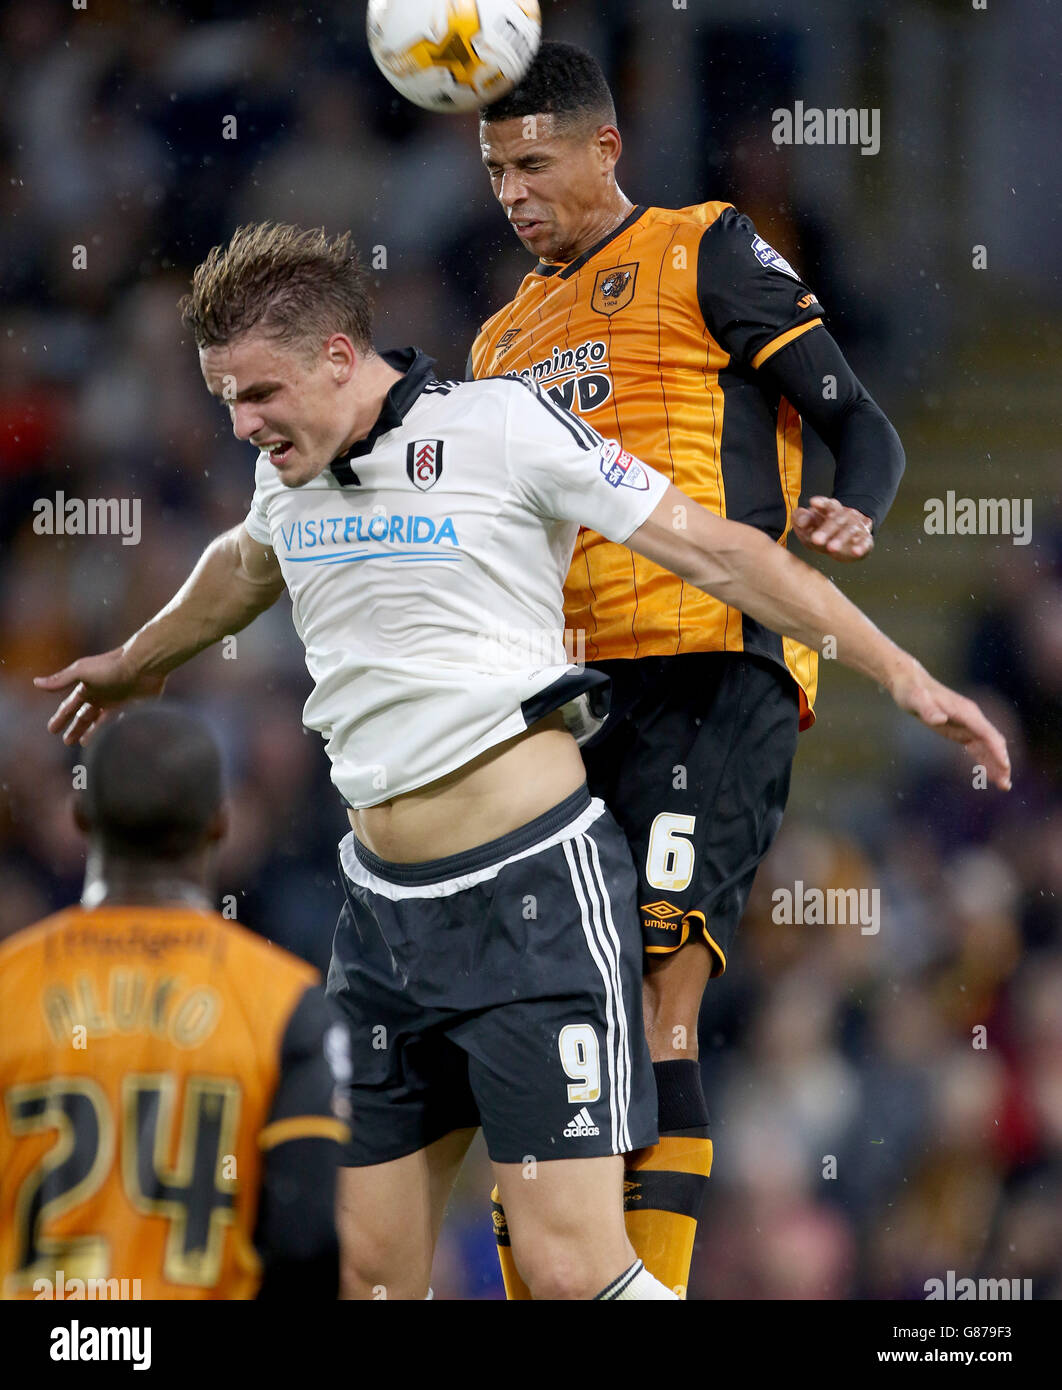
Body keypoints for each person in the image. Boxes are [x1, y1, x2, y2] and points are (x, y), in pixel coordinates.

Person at [35, 223, 1008, 1301]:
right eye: (225, 397)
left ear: (340, 359)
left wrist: (901, 673)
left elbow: (718, 549)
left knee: (566, 1266)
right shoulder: (289, 476)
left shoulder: (499, 427)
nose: (241, 422)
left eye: (259, 391)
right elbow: (240, 564)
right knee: (364, 1270)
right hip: (380, 921)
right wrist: (136, 659)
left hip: (528, 899)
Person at [470, 40, 909, 1295]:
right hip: (572, 702)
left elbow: (856, 421)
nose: (512, 191)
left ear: (606, 147)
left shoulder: (702, 246)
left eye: (534, 162)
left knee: (662, 979)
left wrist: (855, 509)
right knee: (554, 1016)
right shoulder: (500, 341)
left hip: (718, 661)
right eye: (496, 168)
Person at [0, 704, 349, 1301]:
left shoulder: (10, 984)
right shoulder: (285, 1001)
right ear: (220, 822)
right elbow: (306, 1242)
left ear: (82, 816)